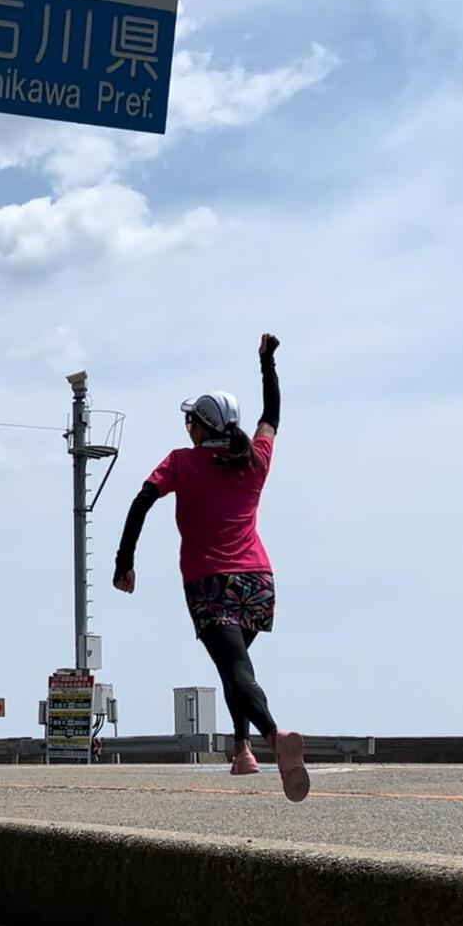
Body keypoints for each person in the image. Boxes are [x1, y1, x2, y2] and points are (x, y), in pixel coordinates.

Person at [112, 335, 309, 803]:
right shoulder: (255, 460)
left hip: (210, 583)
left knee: (235, 666)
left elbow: (140, 502)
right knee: (234, 667)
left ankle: (274, 737)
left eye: (189, 421)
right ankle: (242, 751)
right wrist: (268, 364)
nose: (186, 428)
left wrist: (124, 563)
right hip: (258, 583)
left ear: (201, 427)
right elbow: (272, 415)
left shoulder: (182, 463)